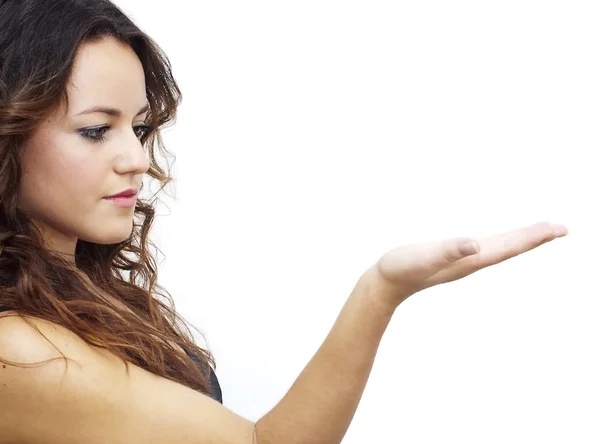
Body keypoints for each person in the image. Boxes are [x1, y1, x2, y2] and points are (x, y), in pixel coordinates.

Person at [0, 0, 568, 443]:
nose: (137, 158)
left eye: (140, 128)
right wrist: (381, 290)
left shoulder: (77, 295)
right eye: (97, 130)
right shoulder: (17, 349)